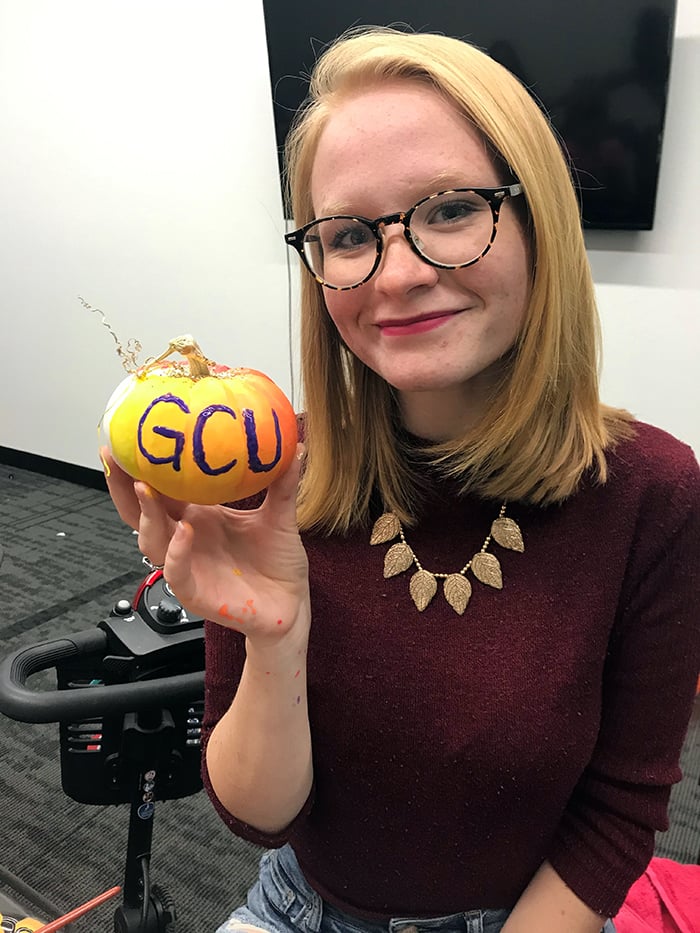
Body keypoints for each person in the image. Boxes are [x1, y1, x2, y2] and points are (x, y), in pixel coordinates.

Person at [103, 26, 700, 933]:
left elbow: (620, 812)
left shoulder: (653, 492)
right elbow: (257, 815)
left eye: (451, 209)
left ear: (538, 219)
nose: (402, 274)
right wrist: (272, 638)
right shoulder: (271, 476)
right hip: (300, 909)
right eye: (349, 234)